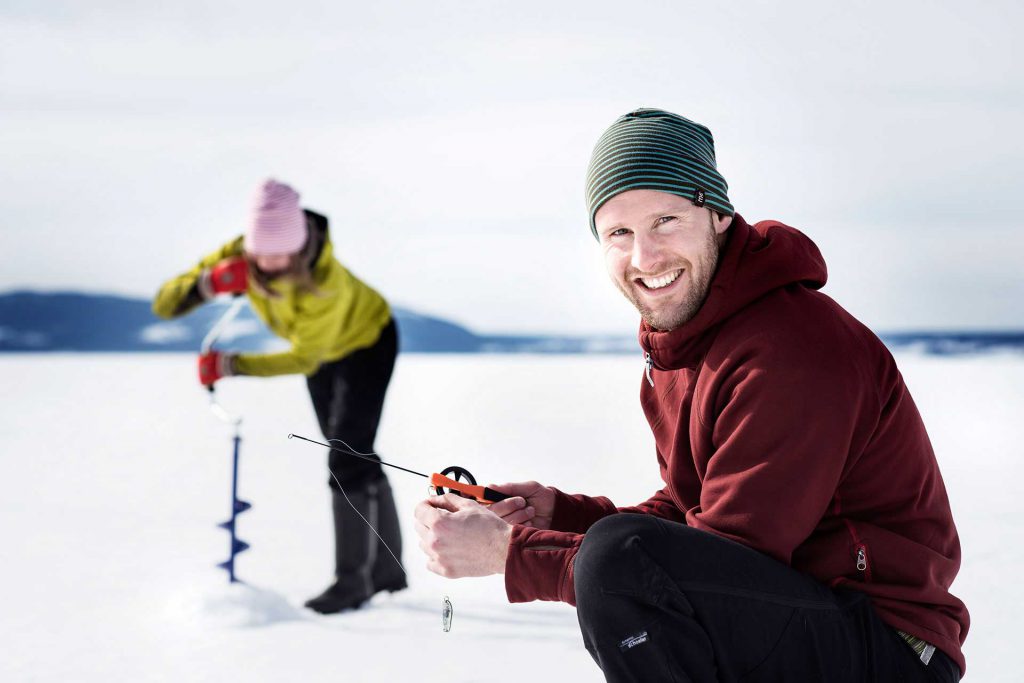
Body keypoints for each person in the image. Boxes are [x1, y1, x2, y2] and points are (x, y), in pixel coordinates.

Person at [414, 109, 968, 681]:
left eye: (665, 220)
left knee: (616, 559)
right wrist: (560, 514)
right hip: (806, 622)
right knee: (617, 551)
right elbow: (690, 518)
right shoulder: (688, 342)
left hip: (886, 646)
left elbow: (721, 558)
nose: (644, 257)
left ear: (718, 214)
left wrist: (510, 554)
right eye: (619, 233)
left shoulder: (791, 346)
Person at [154, 178, 406, 613]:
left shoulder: (325, 280)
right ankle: (388, 571)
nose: (268, 263)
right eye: (261, 254)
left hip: (367, 343)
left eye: (280, 254)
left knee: (346, 457)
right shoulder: (240, 253)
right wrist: (207, 284)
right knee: (353, 451)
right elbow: (164, 305)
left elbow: (304, 358)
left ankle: (354, 583)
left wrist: (232, 365)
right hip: (323, 351)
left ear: (300, 246)